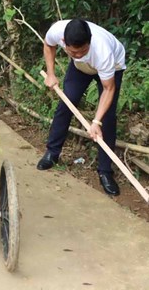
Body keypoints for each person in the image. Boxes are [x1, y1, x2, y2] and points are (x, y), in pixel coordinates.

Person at [37, 18, 126, 196]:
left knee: (107, 118)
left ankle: (105, 171)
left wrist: (96, 121)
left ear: (90, 41)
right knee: (67, 103)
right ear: (64, 42)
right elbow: (48, 45)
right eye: (73, 52)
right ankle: (52, 152)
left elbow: (108, 89)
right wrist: (51, 74)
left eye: (83, 51)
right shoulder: (58, 31)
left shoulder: (103, 51)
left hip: (112, 69)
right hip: (80, 69)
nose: (78, 54)